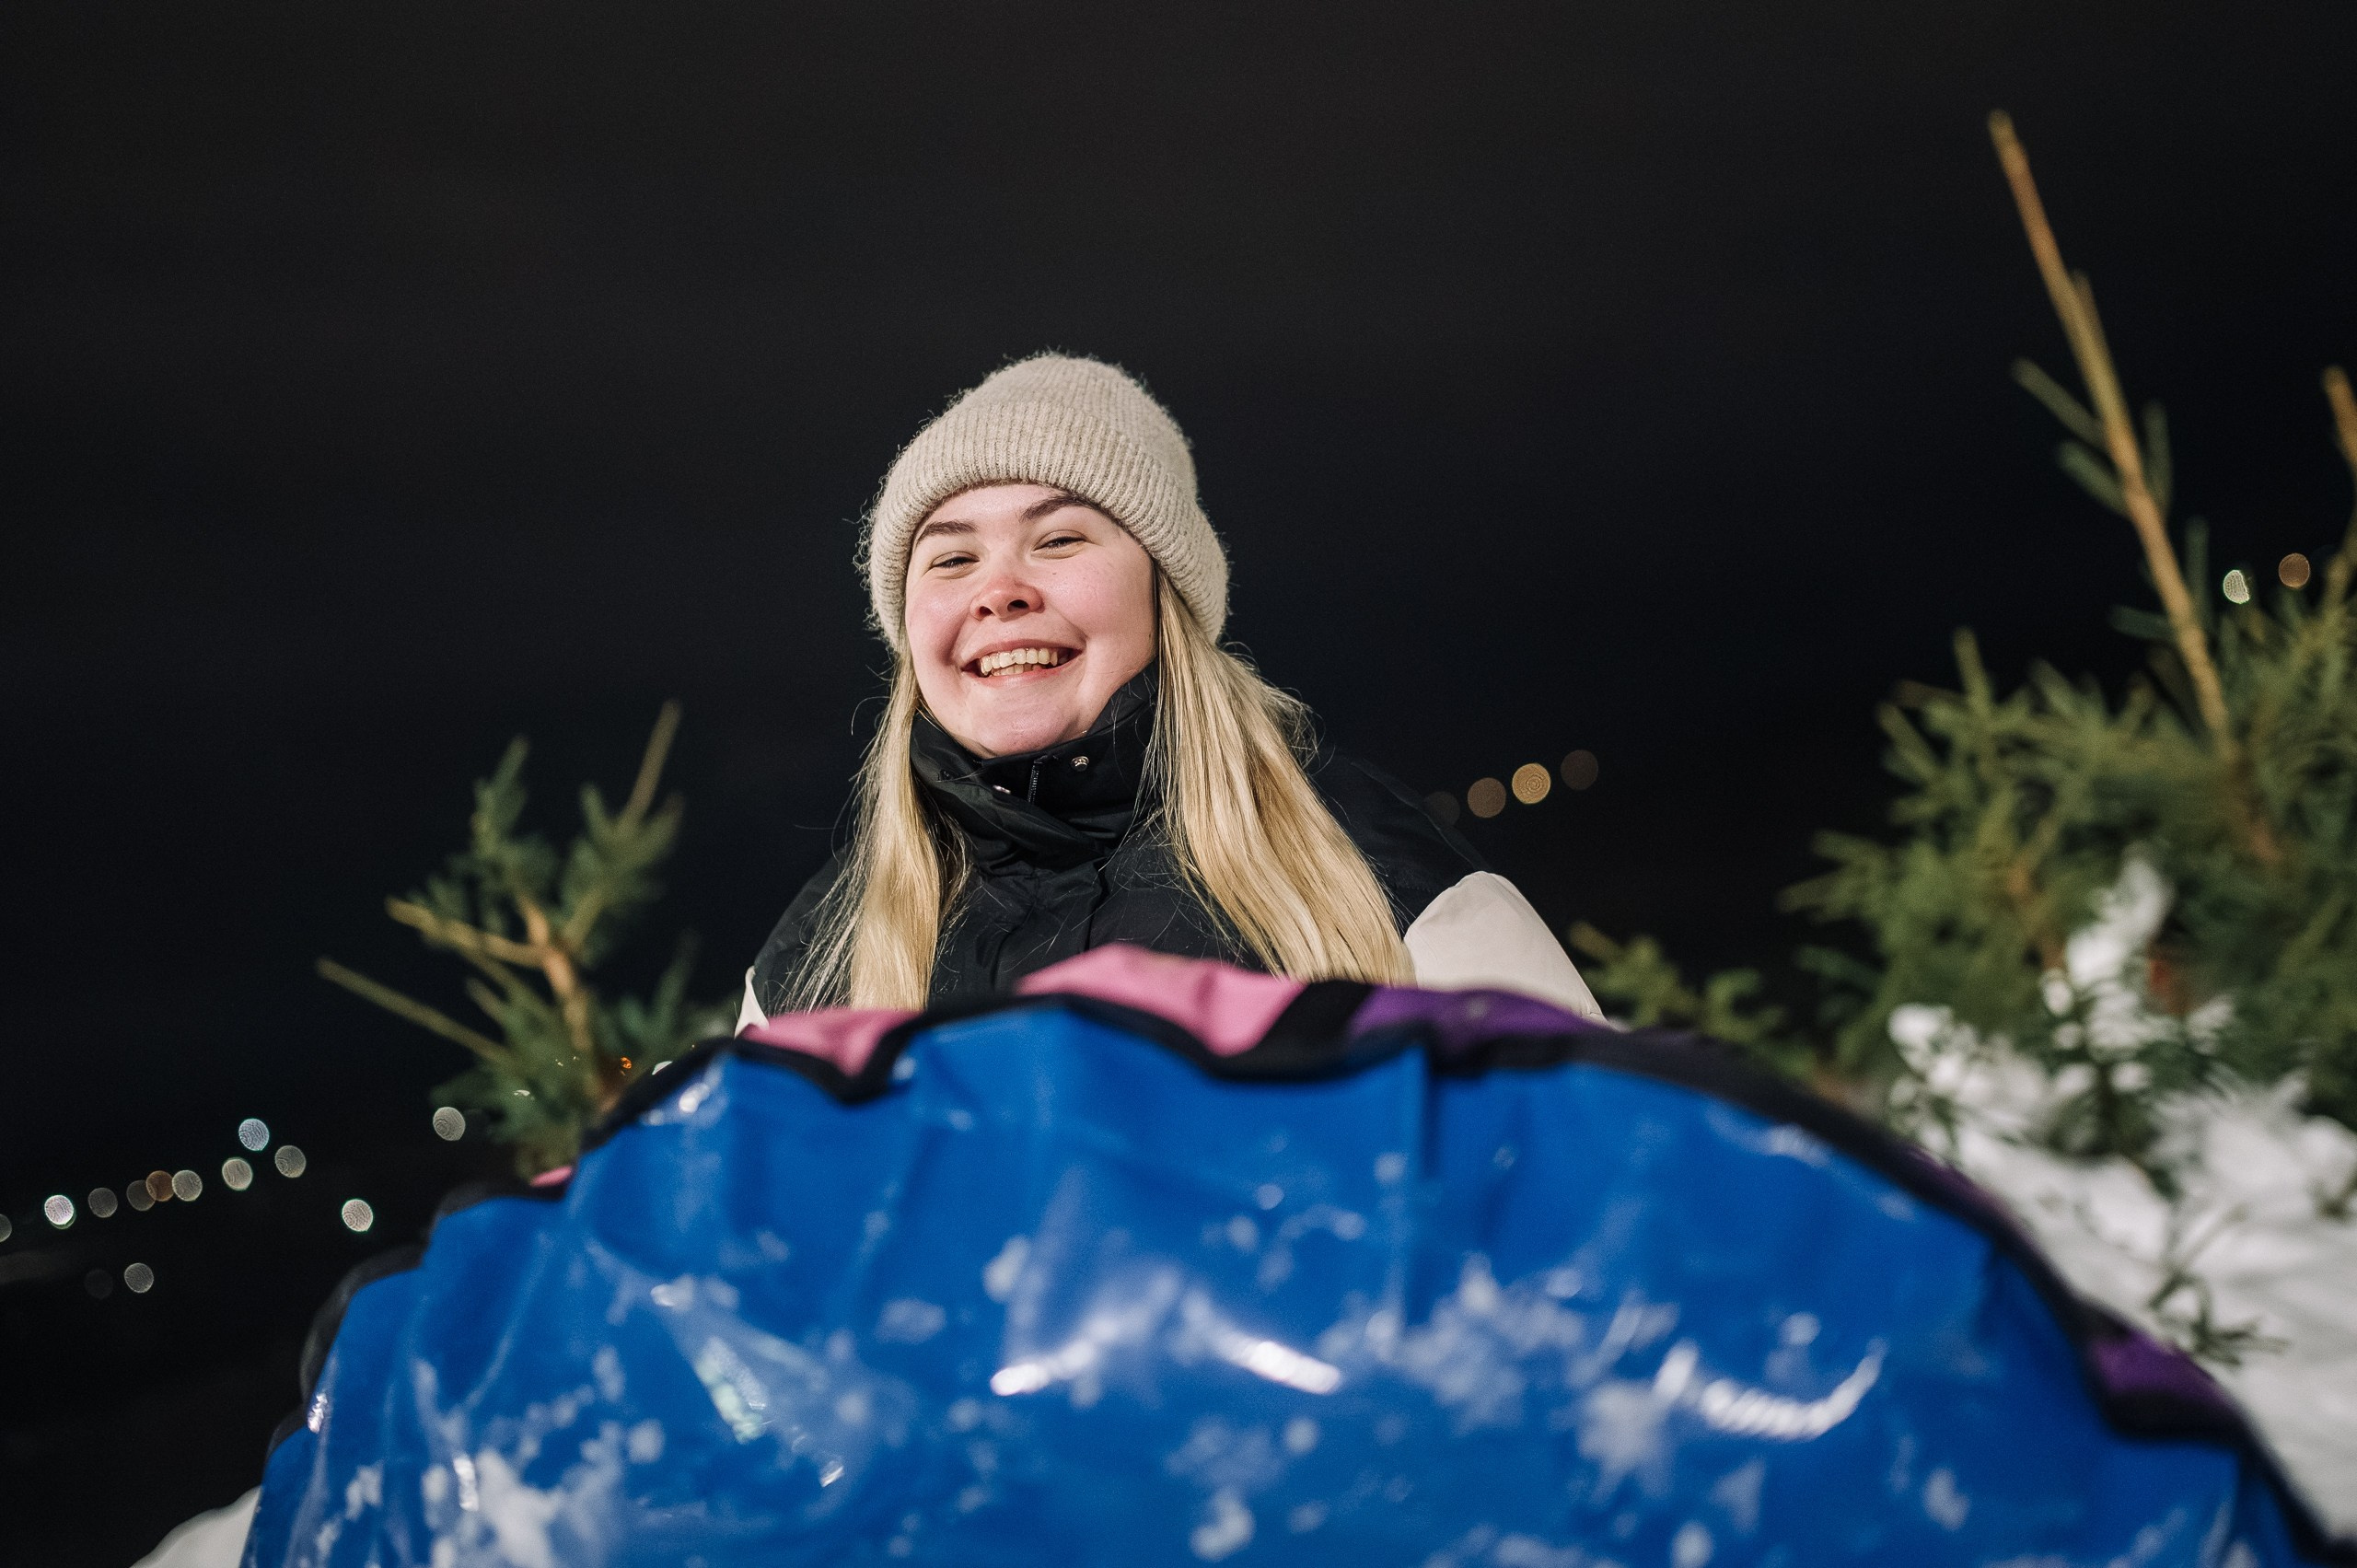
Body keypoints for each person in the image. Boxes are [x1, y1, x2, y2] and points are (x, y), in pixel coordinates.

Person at [739, 354, 1598, 1028]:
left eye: (1060, 539)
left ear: (1165, 594)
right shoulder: (821, 958)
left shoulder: (1370, 870)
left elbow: (1595, 1188)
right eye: (953, 557)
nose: (997, 591)